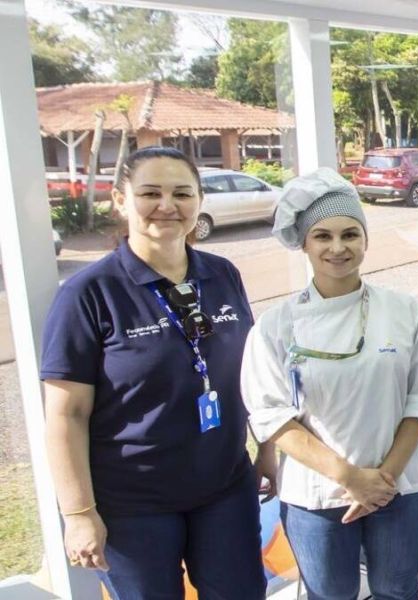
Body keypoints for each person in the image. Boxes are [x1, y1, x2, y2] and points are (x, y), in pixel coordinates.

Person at [41, 146, 267, 598]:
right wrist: (79, 513)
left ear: (199, 200)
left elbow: (252, 376)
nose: (168, 205)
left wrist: (270, 453)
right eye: (150, 192)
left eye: (182, 192)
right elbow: (65, 417)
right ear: (121, 200)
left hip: (225, 489)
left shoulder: (222, 275)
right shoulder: (89, 294)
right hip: (133, 505)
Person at [241, 168, 418, 600]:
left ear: (365, 240)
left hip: (399, 487)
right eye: (323, 236)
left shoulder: (405, 311)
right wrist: (351, 478)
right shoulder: (276, 325)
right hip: (316, 494)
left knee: (397, 591)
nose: (337, 247)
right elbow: (272, 416)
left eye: (350, 234)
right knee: (330, 594)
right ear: (304, 244)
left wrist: (381, 479)